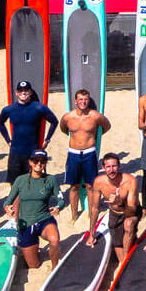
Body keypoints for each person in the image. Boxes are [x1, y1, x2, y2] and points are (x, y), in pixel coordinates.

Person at [3, 149, 63, 267]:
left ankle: (55, 268)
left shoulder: (51, 180)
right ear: (30, 162)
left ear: (45, 163)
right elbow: (8, 200)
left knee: (54, 239)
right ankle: (32, 249)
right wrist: (7, 207)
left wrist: (58, 207)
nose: (39, 164)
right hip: (26, 224)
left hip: (44, 220)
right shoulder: (20, 180)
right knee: (34, 265)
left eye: (42, 161)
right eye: (36, 161)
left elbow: (61, 199)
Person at [58, 89, 110, 218]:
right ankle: (74, 214)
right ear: (75, 101)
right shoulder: (68, 117)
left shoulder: (95, 116)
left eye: (86, 99)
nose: (83, 102)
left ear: (89, 100)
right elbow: (64, 129)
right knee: (74, 186)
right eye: (80, 99)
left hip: (89, 153)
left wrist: (92, 137)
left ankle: (91, 213)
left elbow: (107, 126)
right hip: (73, 154)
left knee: (90, 185)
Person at [0, 80, 59, 185]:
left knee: (32, 181)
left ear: (30, 92)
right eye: (20, 91)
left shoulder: (39, 107)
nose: (23, 93)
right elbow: (0, 123)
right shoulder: (9, 109)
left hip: (32, 151)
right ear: (16, 93)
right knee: (15, 183)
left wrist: (47, 140)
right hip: (15, 152)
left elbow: (54, 122)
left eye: (26, 90)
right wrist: (8, 140)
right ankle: (16, 202)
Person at [88, 153, 143, 258]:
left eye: (114, 166)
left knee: (128, 224)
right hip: (114, 214)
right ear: (103, 168)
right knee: (119, 249)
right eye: (108, 167)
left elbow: (132, 210)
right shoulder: (99, 182)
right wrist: (91, 234)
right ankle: (126, 251)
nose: (111, 170)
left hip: (130, 212)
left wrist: (120, 203)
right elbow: (95, 209)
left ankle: (125, 262)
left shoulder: (130, 181)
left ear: (119, 166)